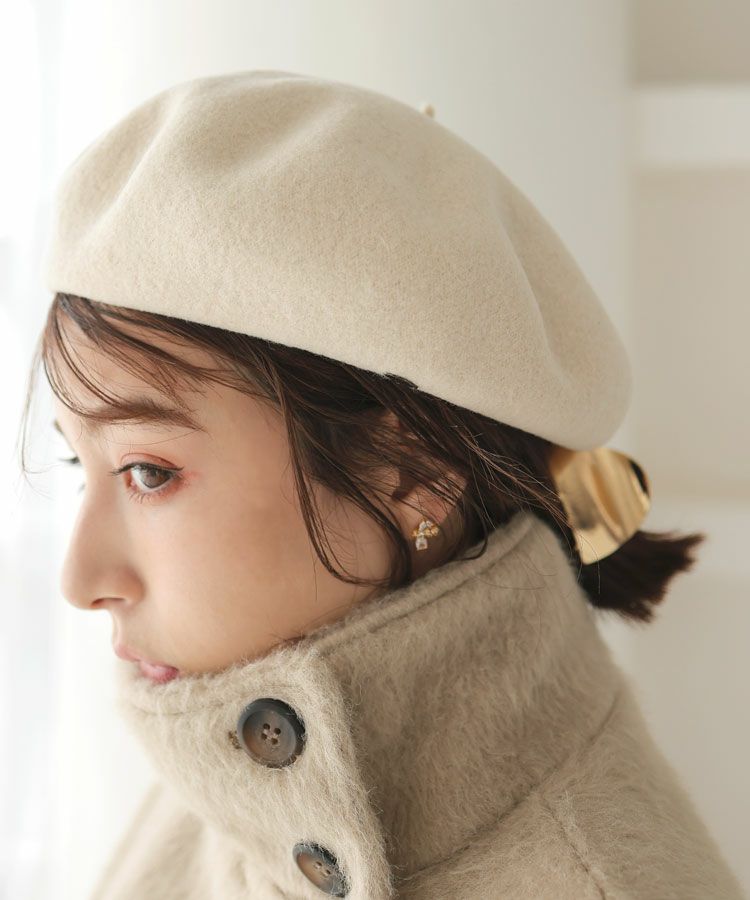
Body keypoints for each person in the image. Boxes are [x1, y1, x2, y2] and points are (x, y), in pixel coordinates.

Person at [21, 70, 744, 899]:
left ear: (412, 478)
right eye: (80, 465)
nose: (80, 580)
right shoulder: (220, 771)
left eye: (149, 472)